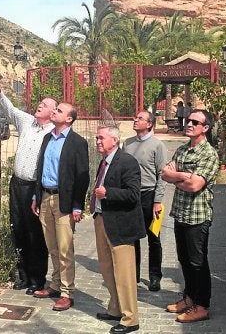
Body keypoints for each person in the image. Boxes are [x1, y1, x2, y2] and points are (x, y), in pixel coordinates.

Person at [0, 71, 56, 295]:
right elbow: (9, 110)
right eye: (39, 102)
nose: (39, 105)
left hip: (35, 189)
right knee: (18, 230)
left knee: (36, 234)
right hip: (16, 184)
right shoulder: (27, 122)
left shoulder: (53, 133)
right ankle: (22, 275)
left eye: (44, 104)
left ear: (53, 113)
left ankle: (37, 278)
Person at [161, 109, 219, 323]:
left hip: (198, 215)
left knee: (198, 262)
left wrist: (176, 177)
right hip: (180, 212)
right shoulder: (183, 149)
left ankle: (202, 305)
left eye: (195, 121)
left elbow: (195, 185)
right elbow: (165, 173)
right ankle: (189, 297)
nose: (189, 124)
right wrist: (182, 176)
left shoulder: (209, 154)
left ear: (205, 128)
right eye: (188, 120)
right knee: (184, 259)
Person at [31, 102, 90, 311]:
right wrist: (36, 195)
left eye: (59, 110)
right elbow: (41, 168)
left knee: (65, 249)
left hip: (64, 201)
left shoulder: (77, 142)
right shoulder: (48, 138)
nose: (54, 111)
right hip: (45, 198)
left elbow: (83, 177)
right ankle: (54, 285)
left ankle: (67, 292)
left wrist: (77, 206)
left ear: (69, 119)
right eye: (54, 109)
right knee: (52, 247)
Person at [92, 125, 145, 334]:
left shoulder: (127, 162)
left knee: (124, 273)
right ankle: (115, 309)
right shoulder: (105, 162)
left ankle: (131, 318)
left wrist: (108, 193)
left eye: (101, 138)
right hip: (101, 220)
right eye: (96, 138)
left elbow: (133, 194)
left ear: (114, 140)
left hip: (121, 224)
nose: (97, 141)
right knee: (106, 269)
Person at [123, 111, 168, 291]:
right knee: (133, 237)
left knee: (153, 238)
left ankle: (155, 276)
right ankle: (133, 274)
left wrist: (157, 200)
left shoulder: (158, 146)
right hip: (130, 196)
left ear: (149, 124)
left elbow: (162, 174)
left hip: (149, 196)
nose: (135, 120)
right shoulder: (127, 143)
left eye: (140, 118)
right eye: (135, 117)